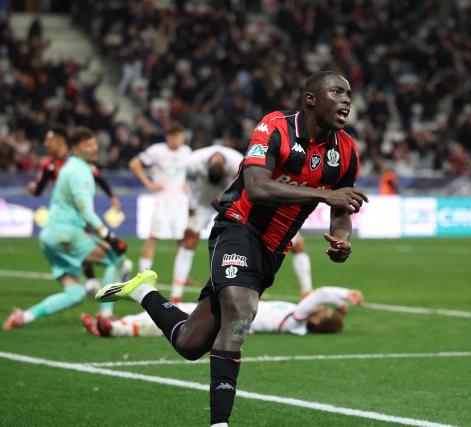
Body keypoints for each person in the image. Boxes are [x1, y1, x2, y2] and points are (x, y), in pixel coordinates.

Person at [96, 71, 367, 427]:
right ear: (311, 99)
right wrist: (323, 194)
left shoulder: (345, 150)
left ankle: (143, 291)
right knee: (241, 310)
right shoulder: (275, 127)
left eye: (349, 93)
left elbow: (342, 205)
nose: (346, 99)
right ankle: (220, 423)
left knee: (190, 344)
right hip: (238, 227)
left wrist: (341, 237)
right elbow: (256, 187)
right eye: (337, 91)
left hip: (273, 250)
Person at [4, 127, 128, 330]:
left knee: (75, 294)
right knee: (115, 258)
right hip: (66, 233)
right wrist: (110, 237)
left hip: (49, 237)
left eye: (95, 143)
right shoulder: (79, 171)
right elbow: (86, 212)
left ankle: (23, 317)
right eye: (89, 145)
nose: (95, 148)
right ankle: (106, 317)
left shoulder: (70, 167)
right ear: (76, 148)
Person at [27, 126, 122, 299]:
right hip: (68, 214)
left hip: (79, 210)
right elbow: (39, 188)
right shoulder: (49, 165)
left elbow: (98, 178)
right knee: (99, 250)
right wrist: (33, 190)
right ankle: (101, 282)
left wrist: (111, 196)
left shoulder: (78, 162)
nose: (46, 144)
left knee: (89, 246)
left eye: (50, 140)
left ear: (61, 141)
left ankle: (96, 280)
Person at [83, 286, 362, 337]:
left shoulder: (295, 321)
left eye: (325, 313)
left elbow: (321, 293)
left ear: (318, 321)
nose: (322, 310)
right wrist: (338, 310)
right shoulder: (295, 316)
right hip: (231, 308)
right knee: (178, 313)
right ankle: (112, 324)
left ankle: (116, 329)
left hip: (229, 317)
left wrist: (342, 297)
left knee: (179, 323)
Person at [170, 144, 243, 303]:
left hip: (229, 202)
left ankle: (248, 290)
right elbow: (189, 190)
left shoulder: (239, 162)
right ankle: (176, 295)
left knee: (242, 243)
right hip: (203, 202)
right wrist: (191, 215)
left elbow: (246, 188)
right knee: (189, 241)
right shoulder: (192, 162)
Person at [129, 122, 192, 272]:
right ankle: (143, 275)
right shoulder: (157, 151)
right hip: (162, 201)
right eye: (178, 137)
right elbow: (134, 164)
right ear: (169, 137)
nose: (181, 141)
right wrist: (148, 183)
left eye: (182, 137)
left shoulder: (186, 151)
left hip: (181, 201)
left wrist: (188, 182)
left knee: (183, 239)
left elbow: (192, 170)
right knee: (153, 237)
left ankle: (180, 275)